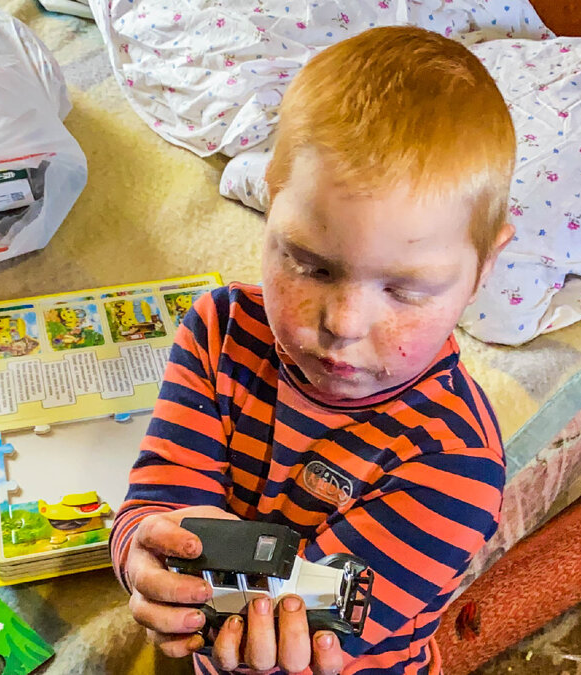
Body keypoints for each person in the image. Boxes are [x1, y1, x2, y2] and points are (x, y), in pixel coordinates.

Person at [109, 25, 516, 675]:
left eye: (404, 290)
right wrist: (142, 552)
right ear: (271, 200)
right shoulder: (216, 331)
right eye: (309, 265)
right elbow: (161, 495)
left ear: (484, 264)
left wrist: (238, 625)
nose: (344, 323)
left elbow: (327, 627)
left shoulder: (455, 459)